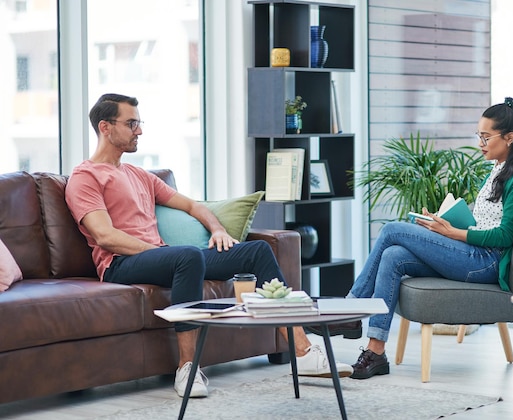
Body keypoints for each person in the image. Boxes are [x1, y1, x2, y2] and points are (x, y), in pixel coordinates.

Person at [65, 93, 352, 398]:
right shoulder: (85, 177)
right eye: (131, 123)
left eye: (139, 122)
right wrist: (161, 253)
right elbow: (106, 236)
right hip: (120, 264)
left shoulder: (139, 175)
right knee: (186, 257)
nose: (139, 130)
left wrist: (217, 230)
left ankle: (303, 351)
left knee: (256, 251)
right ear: (105, 127)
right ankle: (188, 367)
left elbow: (192, 206)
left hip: (163, 258)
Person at [345, 97, 513, 379]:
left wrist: (451, 233)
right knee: (393, 256)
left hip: (487, 262)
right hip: (474, 253)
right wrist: (447, 223)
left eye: (486, 137)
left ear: (510, 138)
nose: (480, 143)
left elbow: (505, 235)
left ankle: (351, 310)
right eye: (479, 136)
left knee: (392, 231)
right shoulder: (499, 170)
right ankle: (375, 351)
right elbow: (485, 223)